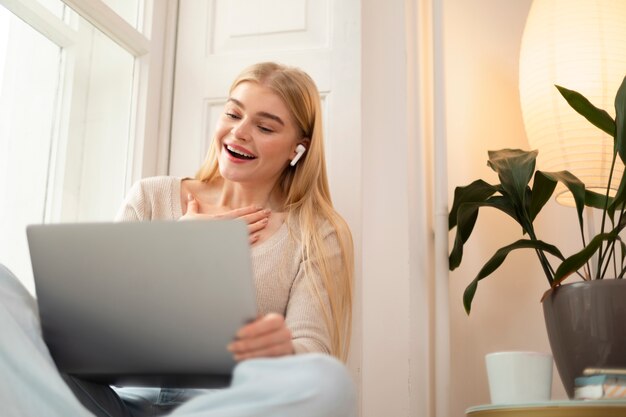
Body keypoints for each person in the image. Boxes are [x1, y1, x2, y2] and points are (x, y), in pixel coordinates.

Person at [0, 62, 356, 417]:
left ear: (299, 148)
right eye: (233, 114)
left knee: (330, 380)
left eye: (264, 126)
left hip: (226, 406)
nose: (240, 132)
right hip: (115, 402)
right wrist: (176, 248)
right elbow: (101, 329)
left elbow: (313, 350)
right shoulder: (151, 197)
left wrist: (282, 350)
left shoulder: (316, 232)